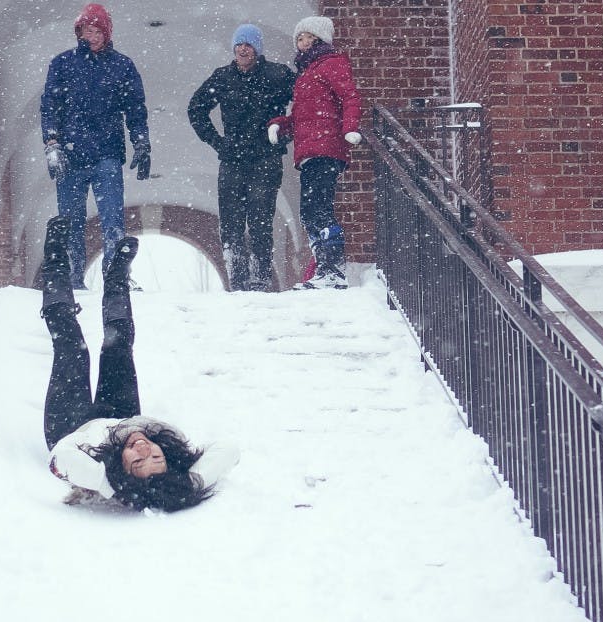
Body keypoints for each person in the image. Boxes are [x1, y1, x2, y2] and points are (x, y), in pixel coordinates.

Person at [39, 215, 239, 512]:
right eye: (156, 458)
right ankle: (117, 277)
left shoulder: (92, 463)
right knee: (116, 345)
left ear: (120, 471)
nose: (145, 449)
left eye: (137, 462)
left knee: (72, 348)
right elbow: (229, 451)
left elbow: (61, 457)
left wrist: (111, 485)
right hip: (122, 415)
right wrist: (190, 482)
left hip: (71, 426)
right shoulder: (164, 439)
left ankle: (54, 256)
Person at [39, 3, 151, 290]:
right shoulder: (62, 64)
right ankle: (73, 278)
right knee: (70, 221)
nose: (91, 35)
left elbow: (135, 108)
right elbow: (49, 106)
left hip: (107, 154)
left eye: (97, 30)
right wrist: (51, 143)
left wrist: (141, 140)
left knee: (112, 218)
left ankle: (116, 277)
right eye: (86, 30)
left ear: (107, 32)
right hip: (69, 155)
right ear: (79, 32)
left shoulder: (122, 66)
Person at [188, 24, 296, 292]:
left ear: (257, 49)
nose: (243, 49)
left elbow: (306, 104)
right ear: (234, 48)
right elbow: (196, 109)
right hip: (232, 160)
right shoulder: (223, 77)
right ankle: (237, 280)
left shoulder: (278, 75)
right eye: (239, 44)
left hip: (266, 158)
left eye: (249, 44)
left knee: (261, 220)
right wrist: (218, 143)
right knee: (231, 223)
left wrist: (284, 133)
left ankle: (260, 279)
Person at [268, 16, 362, 290]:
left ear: (318, 38)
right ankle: (322, 267)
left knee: (318, 209)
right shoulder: (306, 74)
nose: (300, 42)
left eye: (305, 36)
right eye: (298, 38)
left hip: (327, 147)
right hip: (309, 151)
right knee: (310, 211)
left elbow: (350, 96)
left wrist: (350, 128)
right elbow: (300, 116)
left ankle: (332, 271)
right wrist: (280, 125)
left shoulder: (331, 64)